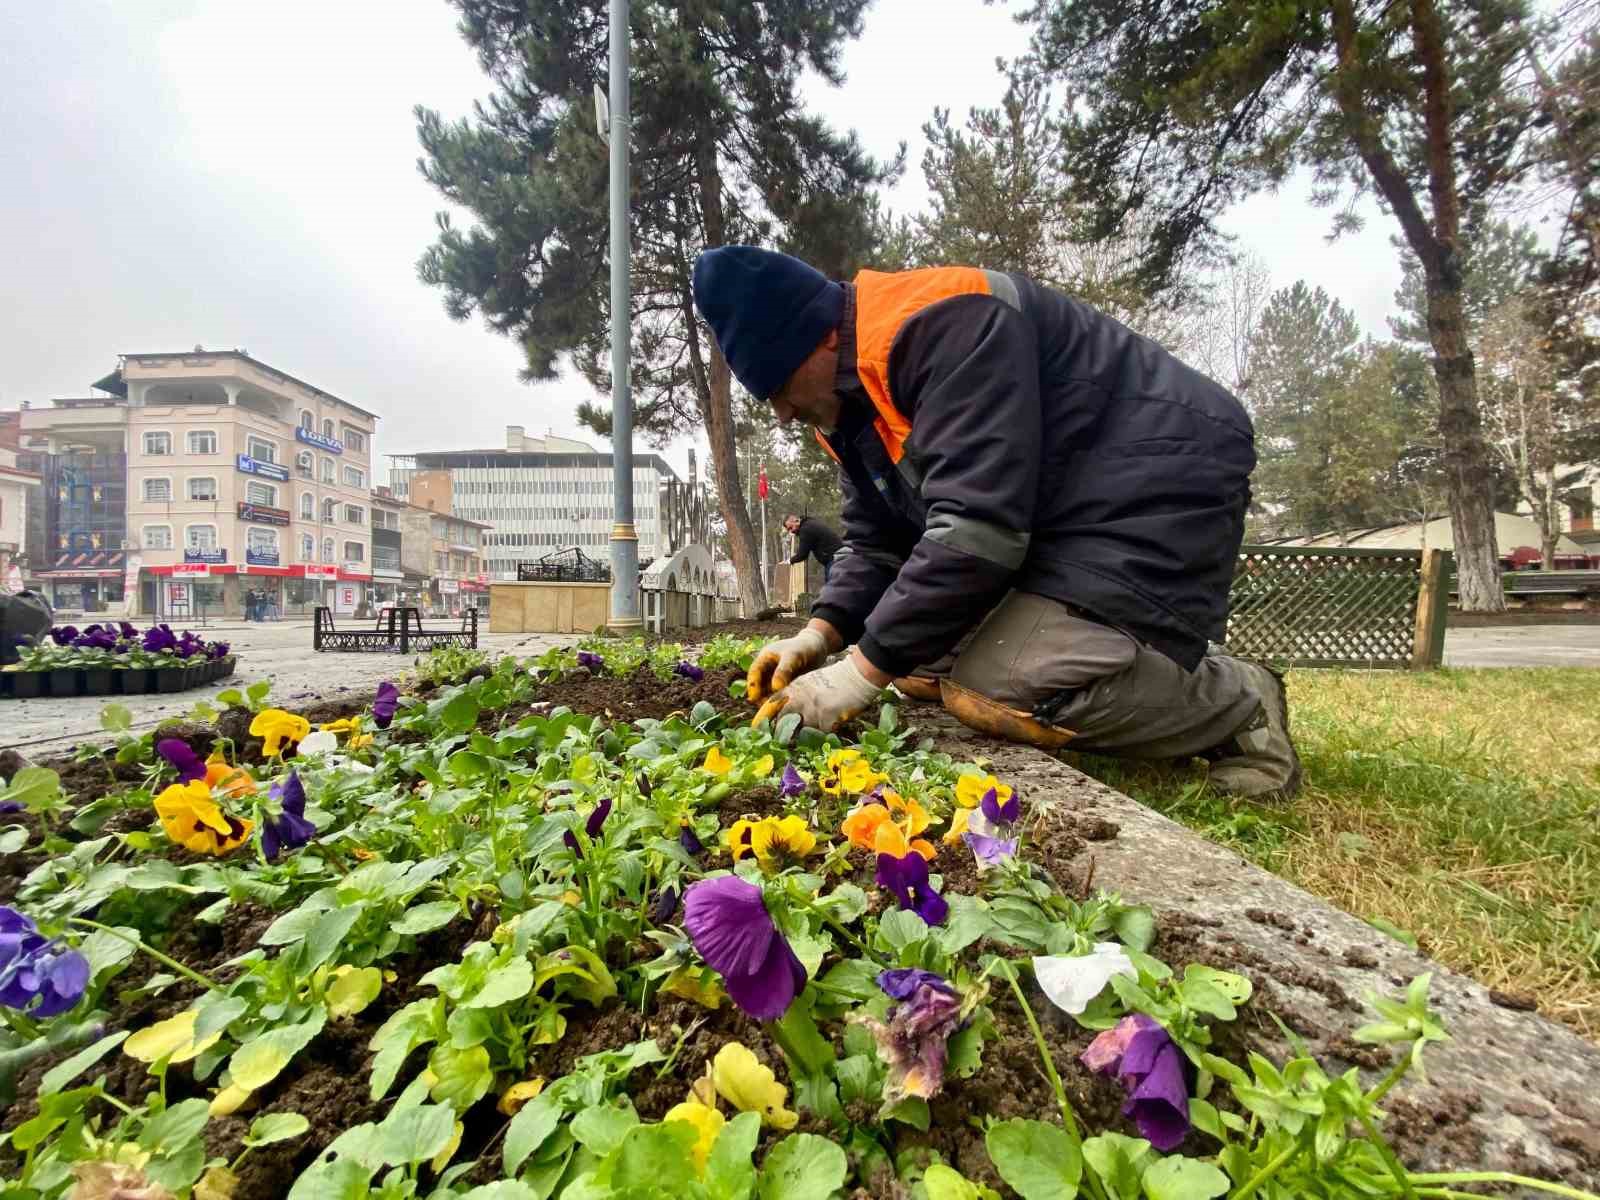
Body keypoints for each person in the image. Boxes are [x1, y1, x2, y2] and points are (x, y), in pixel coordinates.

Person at [691, 246, 1300, 800]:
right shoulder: (852, 407)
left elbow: (978, 527)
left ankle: (1239, 700)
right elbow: (877, 541)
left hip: (1156, 468)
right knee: (920, 663)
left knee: (997, 684)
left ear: (819, 339)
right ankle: (1135, 674)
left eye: (778, 387)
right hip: (1057, 498)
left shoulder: (942, 325)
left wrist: (853, 677)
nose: (782, 414)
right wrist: (819, 636)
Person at [784, 513, 842, 583]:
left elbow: (802, 555)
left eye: (791, 528)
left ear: (796, 521)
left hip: (836, 559)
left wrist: (788, 561)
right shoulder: (809, 524)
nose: (791, 531)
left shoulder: (805, 529)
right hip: (838, 558)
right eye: (788, 530)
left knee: (833, 589)